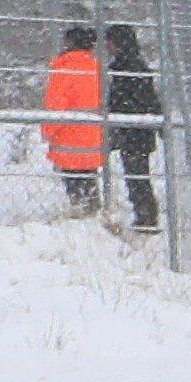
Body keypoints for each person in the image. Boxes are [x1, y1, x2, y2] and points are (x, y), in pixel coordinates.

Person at [99, 16, 168, 235]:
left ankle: (146, 216)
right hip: (137, 130)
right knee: (137, 176)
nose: (107, 46)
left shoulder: (126, 68)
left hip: (133, 131)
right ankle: (145, 214)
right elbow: (150, 100)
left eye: (109, 41)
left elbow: (127, 100)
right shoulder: (135, 65)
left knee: (137, 176)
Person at [40, 24, 109, 217]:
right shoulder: (97, 68)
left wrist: (48, 131)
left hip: (68, 140)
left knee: (74, 186)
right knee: (89, 180)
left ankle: (81, 215)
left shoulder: (63, 69)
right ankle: (94, 215)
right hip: (93, 140)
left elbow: (56, 105)